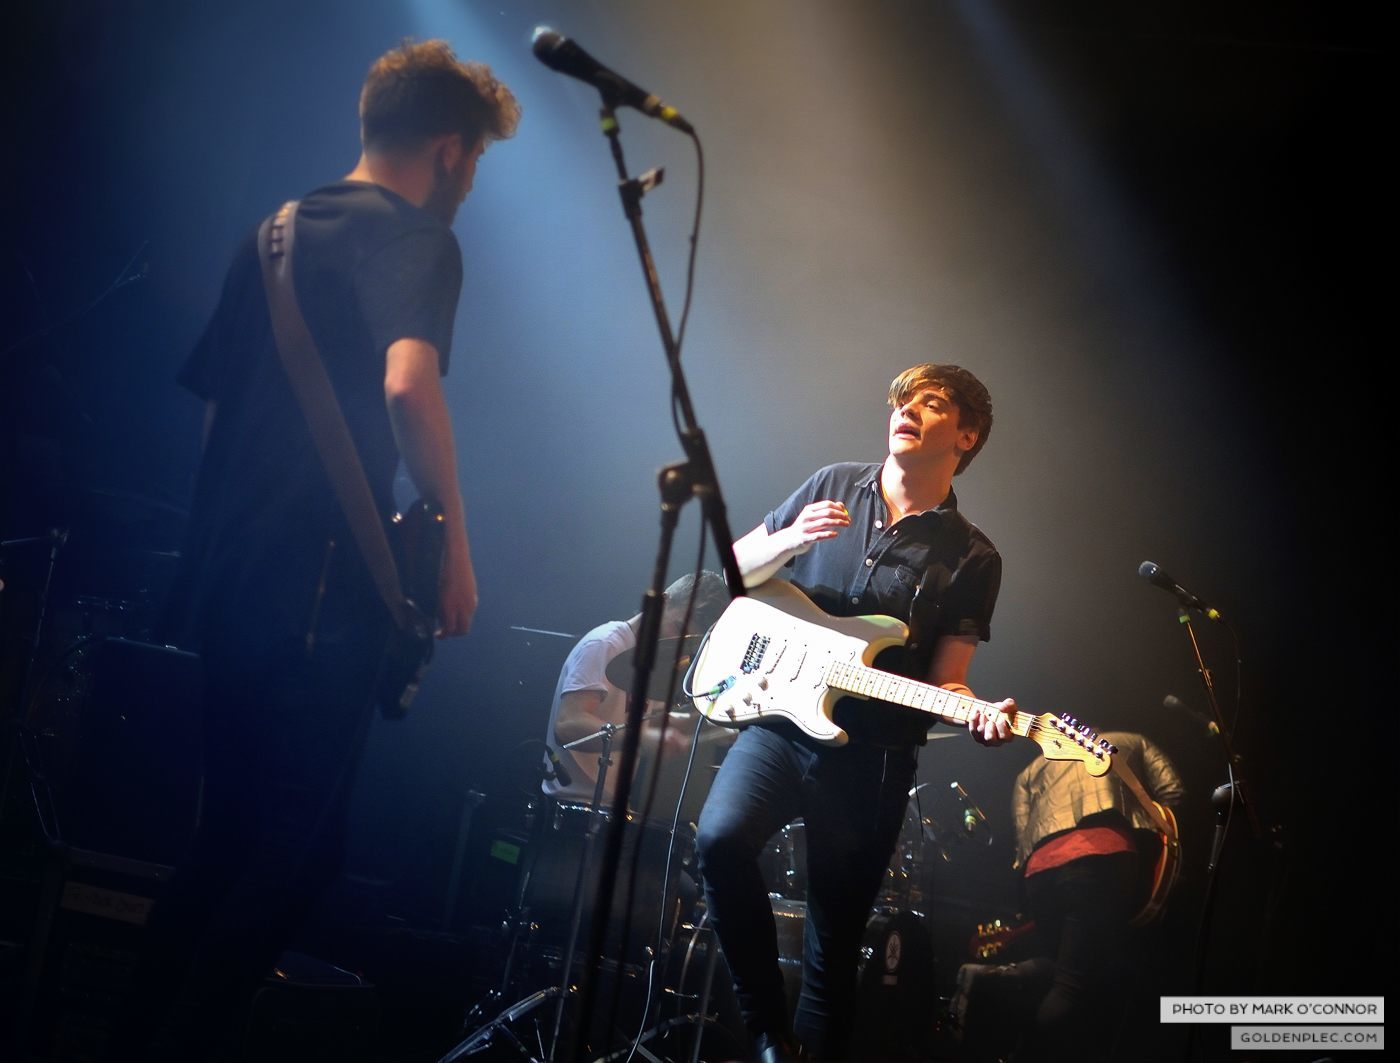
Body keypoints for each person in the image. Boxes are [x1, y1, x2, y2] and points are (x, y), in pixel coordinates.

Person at [128, 40, 520, 1060]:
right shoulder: (421, 242)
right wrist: (456, 553)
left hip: (226, 577)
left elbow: (216, 413)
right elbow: (406, 386)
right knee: (294, 856)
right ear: (447, 149)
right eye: (471, 164)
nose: (467, 185)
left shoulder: (274, 231)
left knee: (225, 842)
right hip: (316, 593)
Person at [695, 363, 1016, 1062]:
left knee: (832, 948)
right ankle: (768, 1033)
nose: (909, 410)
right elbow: (734, 569)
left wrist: (978, 714)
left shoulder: (972, 555)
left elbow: (949, 681)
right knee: (719, 840)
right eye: (905, 399)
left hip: (871, 758)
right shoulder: (833, 482)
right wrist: (789, 540)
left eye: (932, 404)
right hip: (780, 723)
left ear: (965, 436)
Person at [1008, 730, 1185, 1061]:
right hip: (1101, 860)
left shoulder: (1031, 768)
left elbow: (1021, 838)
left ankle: (998, 979)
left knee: (1058, 969)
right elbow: (1172, 791)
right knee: (1075, 987)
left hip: (1040, 870)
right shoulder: (1133, 741)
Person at [542, 571, 730, 811]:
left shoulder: (653, 660)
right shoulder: (606, 644)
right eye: (677, 627)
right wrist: (640, 739)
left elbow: (650, 721)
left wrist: (711, 725)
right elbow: (567, 725)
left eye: (687, 640)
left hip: (610, 806)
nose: (678, 644)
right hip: (570, 806)